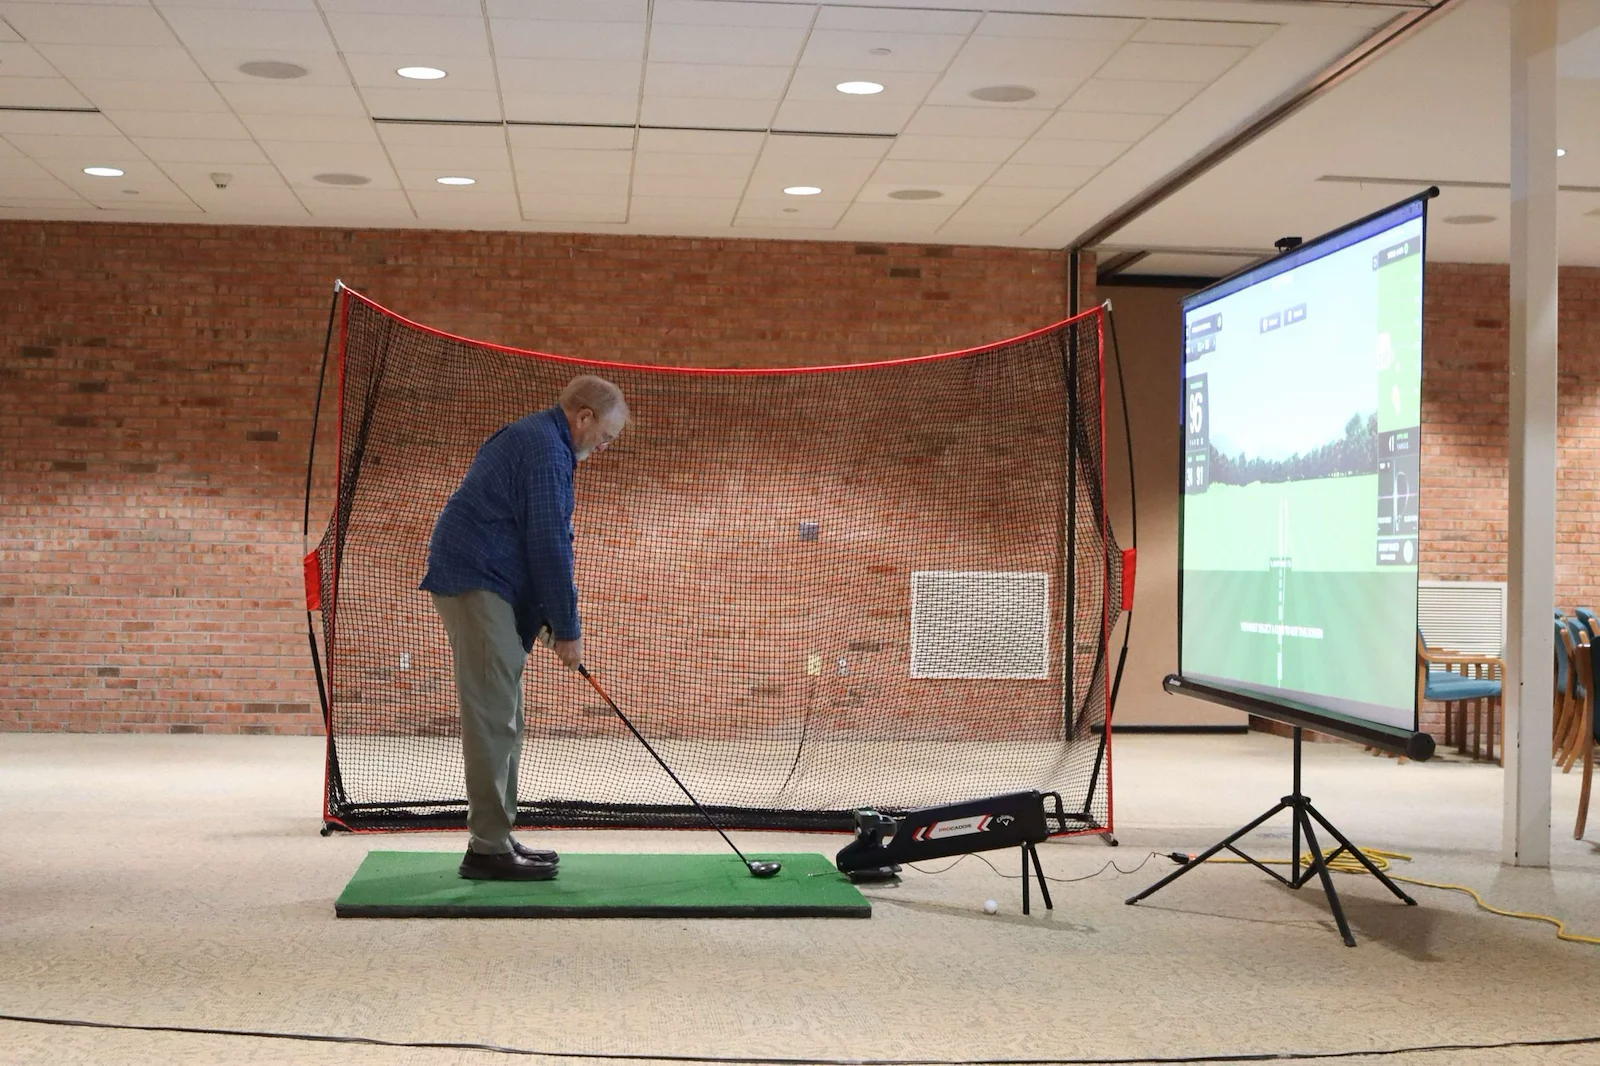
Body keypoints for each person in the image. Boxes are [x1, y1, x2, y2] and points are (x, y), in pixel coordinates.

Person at [422, 375, 629, 881]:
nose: (599, 450)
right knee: (493, 714)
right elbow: (549, 548)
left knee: (506, 711)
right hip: (475, 577)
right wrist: (567, 628)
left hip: (492, 579)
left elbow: (533, 543)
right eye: (602, 439)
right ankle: (488, 849)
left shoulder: (544, 443)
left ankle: (498, 833)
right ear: (583, 417)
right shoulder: (544, 449)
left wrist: (546, 622)